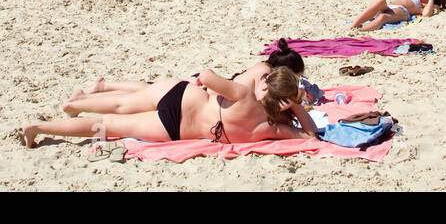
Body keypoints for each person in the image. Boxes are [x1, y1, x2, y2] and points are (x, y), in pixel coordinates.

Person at [20, 66, 318, 147]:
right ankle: (39, 128)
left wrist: (206, 84)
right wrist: (297, 108)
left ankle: (76, 105)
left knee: (122, 105)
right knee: (107, 127)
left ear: (266, 86)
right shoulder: (271, 128)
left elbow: (205, 76)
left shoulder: (244, 94)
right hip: (176, 129)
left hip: (182, 96)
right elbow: (310, 136)